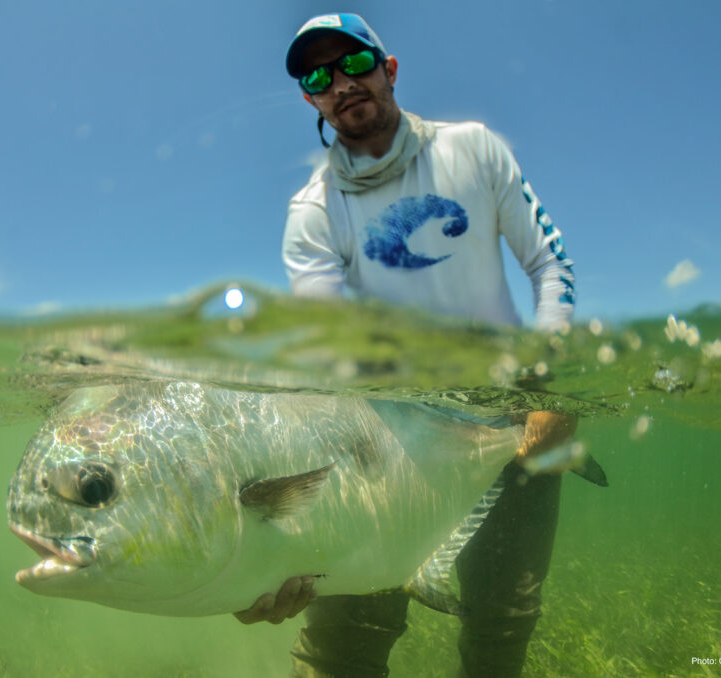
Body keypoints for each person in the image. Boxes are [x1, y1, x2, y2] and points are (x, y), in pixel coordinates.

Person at [235, 13, 578, 677]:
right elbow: (331, 356)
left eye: (354, 63)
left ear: (389, 69)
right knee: (339, 656)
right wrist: (257, 565)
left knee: (499, 636)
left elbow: (551, 265)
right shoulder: (312, 212)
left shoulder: (474, 149)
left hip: (512, 417)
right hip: (381, 450)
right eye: (317, 75)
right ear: (310, 99)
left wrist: (550, 388)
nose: (339, 82)